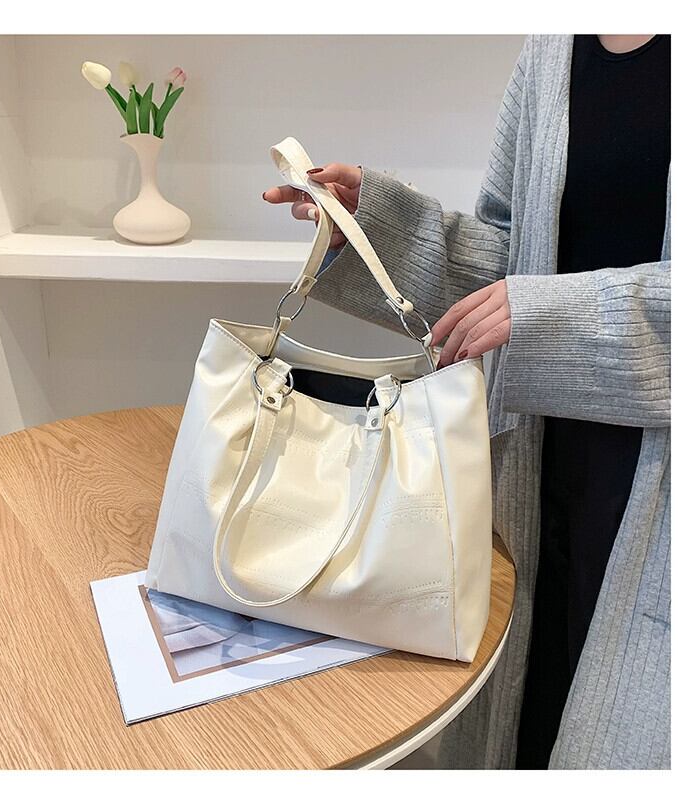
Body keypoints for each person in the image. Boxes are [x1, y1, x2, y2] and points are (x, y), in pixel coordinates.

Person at [262, 34, 670, 769]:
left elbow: (530, 302)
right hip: (544, 463)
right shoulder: (553, 49)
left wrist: (554, 315)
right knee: (533, 719)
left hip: (652, 489)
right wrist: (371, 231)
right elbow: (512, 265)